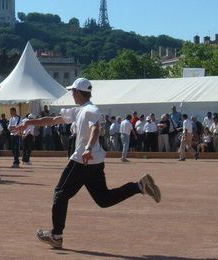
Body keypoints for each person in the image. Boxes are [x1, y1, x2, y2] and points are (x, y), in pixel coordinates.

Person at [13, 78, 161, 249]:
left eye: (72, 91)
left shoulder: (91, 110)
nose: (72, 94)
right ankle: (139, 186)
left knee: (60, 194)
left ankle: (56, 235)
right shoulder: (81, 110)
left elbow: (95, 129)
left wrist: (88, 148)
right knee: (103, 199)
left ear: (77, 92)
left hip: (82, 160)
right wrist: (28, 123)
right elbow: (54, 120)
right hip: (94, 162)